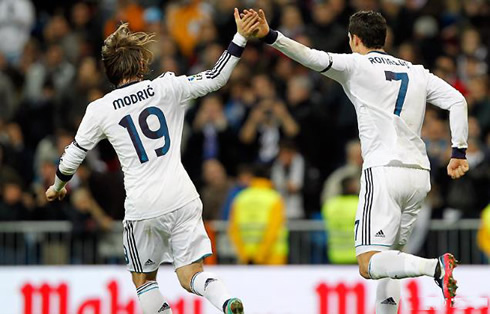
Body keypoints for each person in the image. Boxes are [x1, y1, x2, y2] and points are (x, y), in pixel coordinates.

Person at [246, 8, 469, 312]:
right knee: (392, 259)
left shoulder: (355, 65)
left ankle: (435, 268)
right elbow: (457, 99)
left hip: (384, 172)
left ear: (354, 39)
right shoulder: (417, 71)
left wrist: (271, 37)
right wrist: (458, 151)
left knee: (369, 263)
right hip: (419, 174)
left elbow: (309, 56)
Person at [45, 9, 260, 314]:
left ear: (108, 71)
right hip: (183, 197)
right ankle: (226, 301)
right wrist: (240, 36)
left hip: (143, 206)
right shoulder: (166, 86)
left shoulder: (100, 109)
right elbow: (216, 77)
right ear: (142, 64)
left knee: (143, 280)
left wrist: (57, 186)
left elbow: (72, 156)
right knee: (191, 275)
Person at [228, 165, 288, 265]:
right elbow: (273, 230)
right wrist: (260, 255)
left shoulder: (240, 198)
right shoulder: (274, 198)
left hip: (247, 258)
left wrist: (243, 255)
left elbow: (233, 229)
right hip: (273, 257)